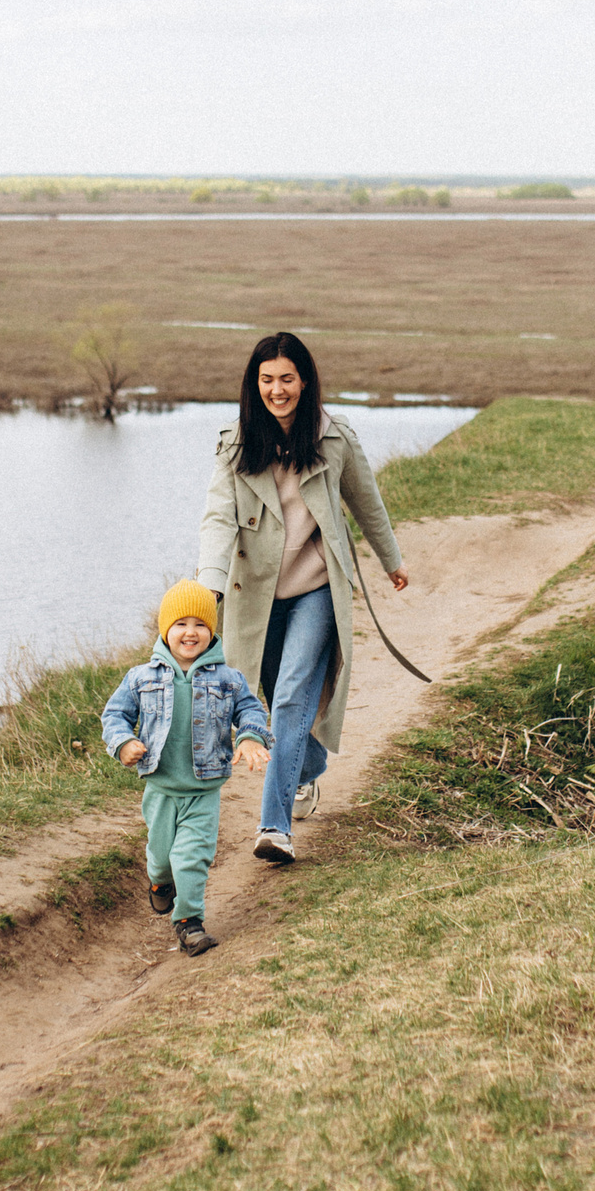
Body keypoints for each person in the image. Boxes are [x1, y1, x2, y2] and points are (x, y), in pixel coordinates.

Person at [197, 332, 408, 866]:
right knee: (275, 710)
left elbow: (367, 501)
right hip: (257, 600)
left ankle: (275, 827)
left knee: (292, 700)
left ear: (305, 380)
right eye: (266, 380)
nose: (277, 390)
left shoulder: (334, 438)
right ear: (255, 385)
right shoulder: (236, 443)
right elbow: (219, 517)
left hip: (316, 590)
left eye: (286, 379)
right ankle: (306, 768)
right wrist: (210, 584)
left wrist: (392, 560)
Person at [100, 580, 271, 956]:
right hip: (161, 789)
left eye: (200, 624)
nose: (190, 632)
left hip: (203, 790)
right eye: (180, 624)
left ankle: (188, 922)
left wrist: (250, 737)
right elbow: (114, 715)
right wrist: (123, 743)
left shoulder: (228, 679)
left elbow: (251, 710)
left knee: (190, 857)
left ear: (212, 632)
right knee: (161, 859)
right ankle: (160, 884)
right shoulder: (141, 678)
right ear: (165, 630)